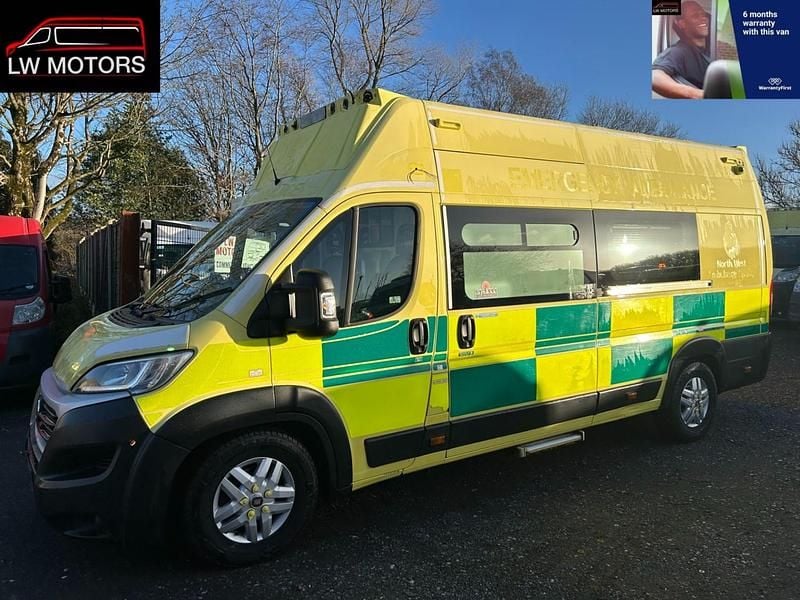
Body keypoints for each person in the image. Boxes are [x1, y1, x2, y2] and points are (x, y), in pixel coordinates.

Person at [652, 1, 710, 99]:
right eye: (695, 15)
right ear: (682, 24)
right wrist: (700, 95)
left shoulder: (714, 48)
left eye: (704, 14)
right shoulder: (679, 51)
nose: (704, 18)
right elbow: (654, 77)